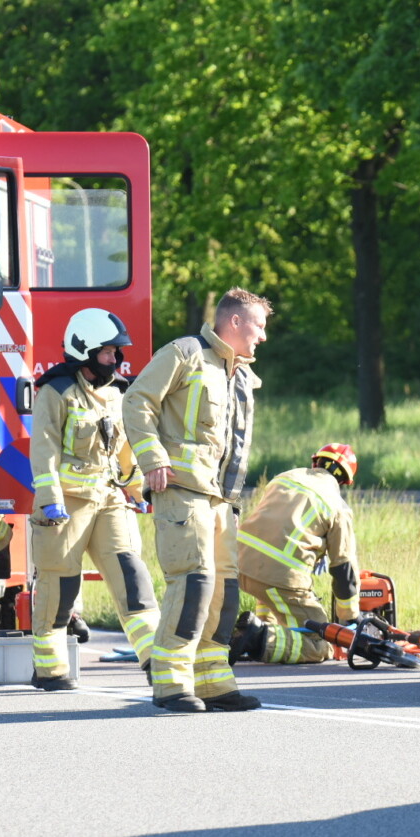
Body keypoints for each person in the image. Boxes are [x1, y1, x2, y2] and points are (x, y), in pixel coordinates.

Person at [123, 287, 270, 712]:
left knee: (224, 591)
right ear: (236, 321)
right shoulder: (186, 353)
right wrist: (151, 459)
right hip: (182, 490)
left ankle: (213, 680)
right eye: (259, 327)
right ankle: (171, 682)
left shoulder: (240, 373)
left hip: (222, 499)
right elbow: (136, 401)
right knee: (193, 582)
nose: (263, 337)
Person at [28, 309, 159, 690]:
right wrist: (50, 498)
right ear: (83, 350)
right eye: (107, 353)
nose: (115, 360)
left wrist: (137, 491)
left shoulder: (118, 392)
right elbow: (44, 450)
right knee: (60, 587)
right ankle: (50, 670)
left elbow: (124, 452)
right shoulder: (55, 392)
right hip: (65, 508)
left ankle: (157, 663)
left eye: (116, 353)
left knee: (133, 579)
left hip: (109, 500)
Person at [229, 443, 360, 664]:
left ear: (315, 462)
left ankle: (258, 627)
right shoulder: (339, 507)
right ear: (344, 481)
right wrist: (350, 618)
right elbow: (343, 568)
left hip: (237, 561)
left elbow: (271, 532)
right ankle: (257, 638)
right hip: (279, 577)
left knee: (270, 592)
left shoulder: (285, 477)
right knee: (319, 643)